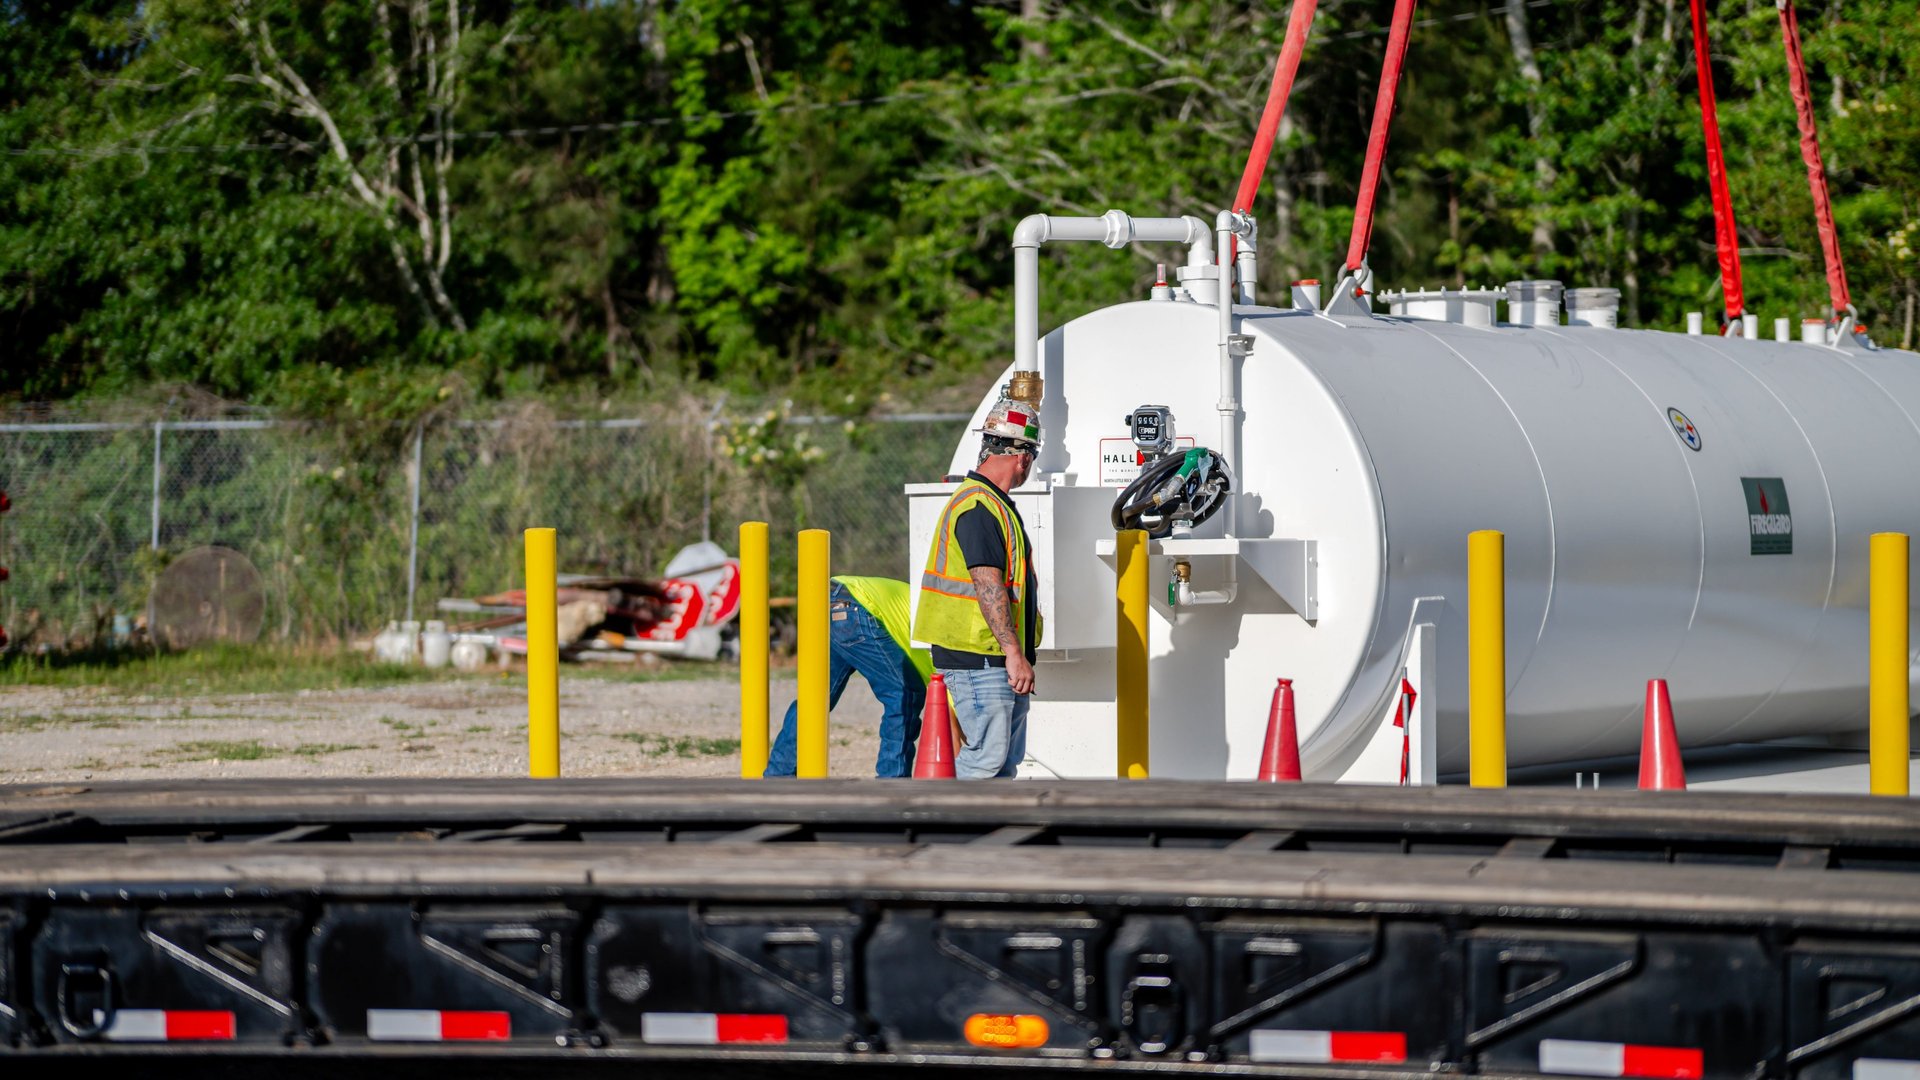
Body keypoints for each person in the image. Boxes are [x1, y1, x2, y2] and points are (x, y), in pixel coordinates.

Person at [911, 397, 1042, 779]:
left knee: (1002, 764)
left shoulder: (992, 504)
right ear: (1022, 458)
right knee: (985, 760)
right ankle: (948, 831)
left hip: (991, 655)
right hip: (979, 656)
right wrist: (1014, 652)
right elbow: (988, 585)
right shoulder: (979, 507)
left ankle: (987, 834)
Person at [764, 576, 932, 778]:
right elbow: (950, 712)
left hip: (829, 598)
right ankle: (892, 779)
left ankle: (778, 773)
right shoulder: (952, 651)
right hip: (859, 609)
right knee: (904, 693)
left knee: (815, 697)